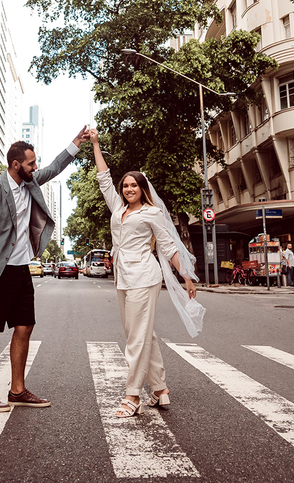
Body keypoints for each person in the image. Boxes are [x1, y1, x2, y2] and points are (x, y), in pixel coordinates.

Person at [0, 128, 89, 413]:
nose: (36, 167)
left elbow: (55, 167)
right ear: (15, 165)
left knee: (25, 325)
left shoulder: (31, 183)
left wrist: (76, 143)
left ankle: (17, 390)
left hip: (22, 268)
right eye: (31, 163)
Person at [91, 128, 202, 419]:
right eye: (125, 186)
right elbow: (104, 179)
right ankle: (161, 389)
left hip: (144, 276)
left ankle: (132, 396)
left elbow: (167, 247)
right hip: (123, 278)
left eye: (133, 186)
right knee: (139, 333)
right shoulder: (118, 210)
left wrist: (186, 276)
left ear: (143, 189)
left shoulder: (151, 213)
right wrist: (95, 144)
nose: (128, 189)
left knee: (136, 338)